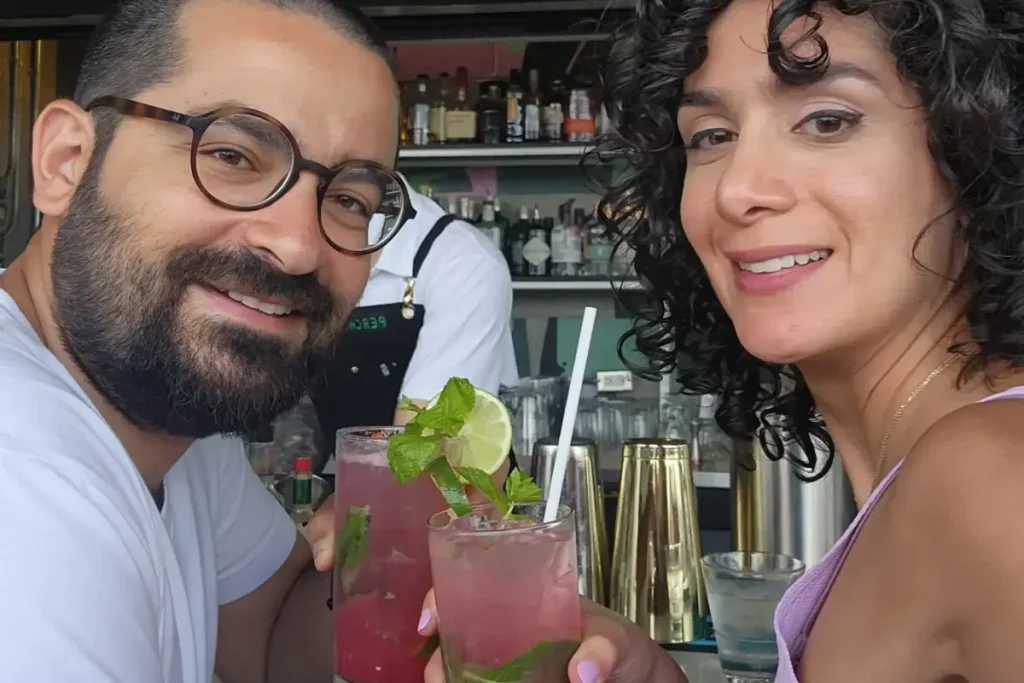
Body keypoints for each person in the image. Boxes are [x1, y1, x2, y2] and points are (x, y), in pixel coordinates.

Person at [420, 0, 1024, 681]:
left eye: (827, 120)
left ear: (977, 148)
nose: (737, 190)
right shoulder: (929, 478)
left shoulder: (994, 479)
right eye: (710, 135)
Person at [0, 0, 408, 680]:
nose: (300, 245)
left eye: (350, 201)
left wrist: (433, 583)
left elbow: (272, 637)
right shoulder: (26, 490)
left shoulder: (165, 423)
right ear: (65, 161)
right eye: (232, 155)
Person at [310, 177, 518, 443]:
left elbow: (425, 442)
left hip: (442, 477)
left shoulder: (463, 261)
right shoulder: (295, 244)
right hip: (340, 471)